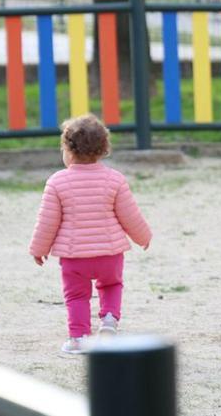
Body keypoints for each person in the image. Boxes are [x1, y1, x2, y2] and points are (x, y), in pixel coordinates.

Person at [28, 115, 152, 355]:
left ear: (68, 150)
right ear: (104, 150)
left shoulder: (57, 182)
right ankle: (108, 321)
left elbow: (47, 222)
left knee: (76, 296)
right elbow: (130, 216)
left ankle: (78, 338)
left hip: (75, 258)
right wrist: (143, 237)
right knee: (112, 285)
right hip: (110, 252)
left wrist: (38, 249)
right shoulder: (114, 179)